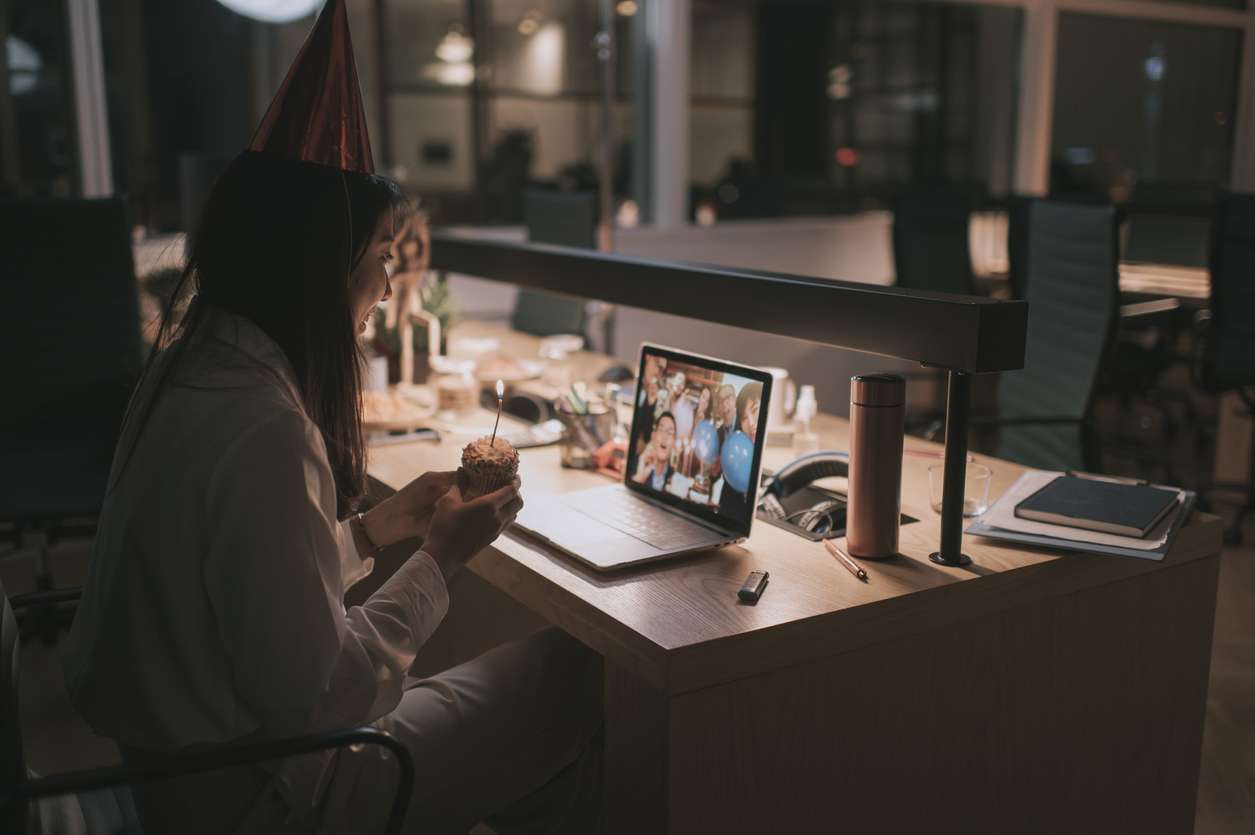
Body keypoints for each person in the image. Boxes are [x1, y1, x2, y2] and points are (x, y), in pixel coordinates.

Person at [60, 4, 601, 834]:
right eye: (382, 255)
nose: (387, 283)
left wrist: (379, 527)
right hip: (267, 794)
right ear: (320, 262)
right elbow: (323, 694)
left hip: (181, 768)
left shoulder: (192, 370)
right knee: (581, 672)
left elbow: (256, 593)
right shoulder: (263, 429)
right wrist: (441, 558)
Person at [717, 382, 763, 520]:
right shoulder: (719, 434)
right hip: (730, 509)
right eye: (744, 418)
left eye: (755, 410)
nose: (751, 423)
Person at [632, 412, 677, 492]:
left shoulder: (675, 479)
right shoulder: (634, 464)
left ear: (674, 443)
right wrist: (640, 477)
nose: (664, 437)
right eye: (661, 430)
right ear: (653, 436)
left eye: (670, 433)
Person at [633, 354, 666, 452]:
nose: (657, 372)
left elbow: (646, 436)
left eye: (661, 370)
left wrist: (650, 404)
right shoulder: (637, 386)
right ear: (647, 358)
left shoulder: (653, 397)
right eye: (656, 363)